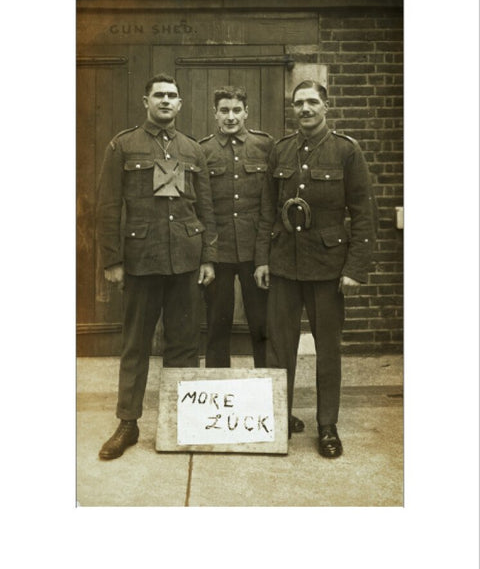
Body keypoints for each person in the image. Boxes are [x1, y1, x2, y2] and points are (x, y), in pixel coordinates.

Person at [96, 73, 217, 460]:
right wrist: (113, 260)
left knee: (184, 344)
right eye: (159, 95)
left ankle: (182, 420)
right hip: (141, 261)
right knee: (135, 344)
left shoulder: (192, 150)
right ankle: (128, 423)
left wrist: (208, 257)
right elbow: (108, 207)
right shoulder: (123, 145)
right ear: (145, 100)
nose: (166, 101)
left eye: (173, 96)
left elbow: (206, 208)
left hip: (184, 259)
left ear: (180, 104)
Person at [254, 79, 376, 455]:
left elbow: (363, 214)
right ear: (293, 109)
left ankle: (327, 427)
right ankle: (278, 421)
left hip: (327, 269)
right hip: (284, 267)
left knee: (328, 350)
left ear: (326, 106)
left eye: (311, 102)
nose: (305, 109)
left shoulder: (346, 151)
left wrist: (355, 268)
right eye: (298, 103)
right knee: (279, 349)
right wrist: (262, 259)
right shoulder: (282, 150)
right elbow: (267, 211)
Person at [199, 86, 305, 435]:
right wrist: (209, 259)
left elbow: (269, 207)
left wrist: (263, 260)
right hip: (218, 255)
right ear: (215, 113)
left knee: (264, 330)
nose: (230, 116)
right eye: (224, 110)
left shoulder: (265, 146)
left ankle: (270, 407)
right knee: (217, 329)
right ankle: (216, 413)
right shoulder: (203, 151)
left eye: (237, 110)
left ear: (247, 112)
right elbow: (204, 209)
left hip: (256, 257)